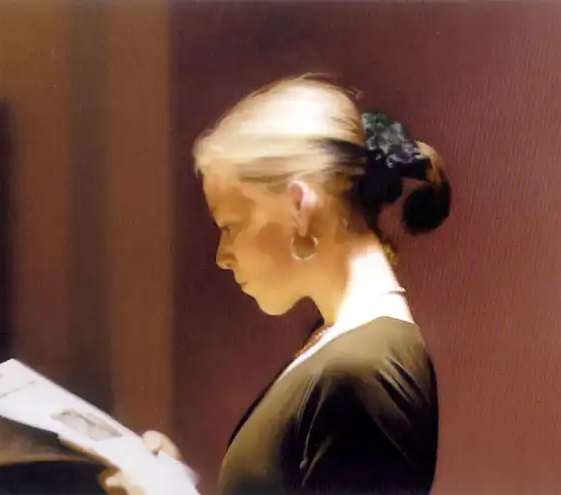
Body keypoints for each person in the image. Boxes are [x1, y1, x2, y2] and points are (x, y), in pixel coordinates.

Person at [100, 75, 449, 494]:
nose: (222, 256)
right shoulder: (343, 347)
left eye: (230, 226)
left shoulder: (365, 372)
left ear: (300, 206)